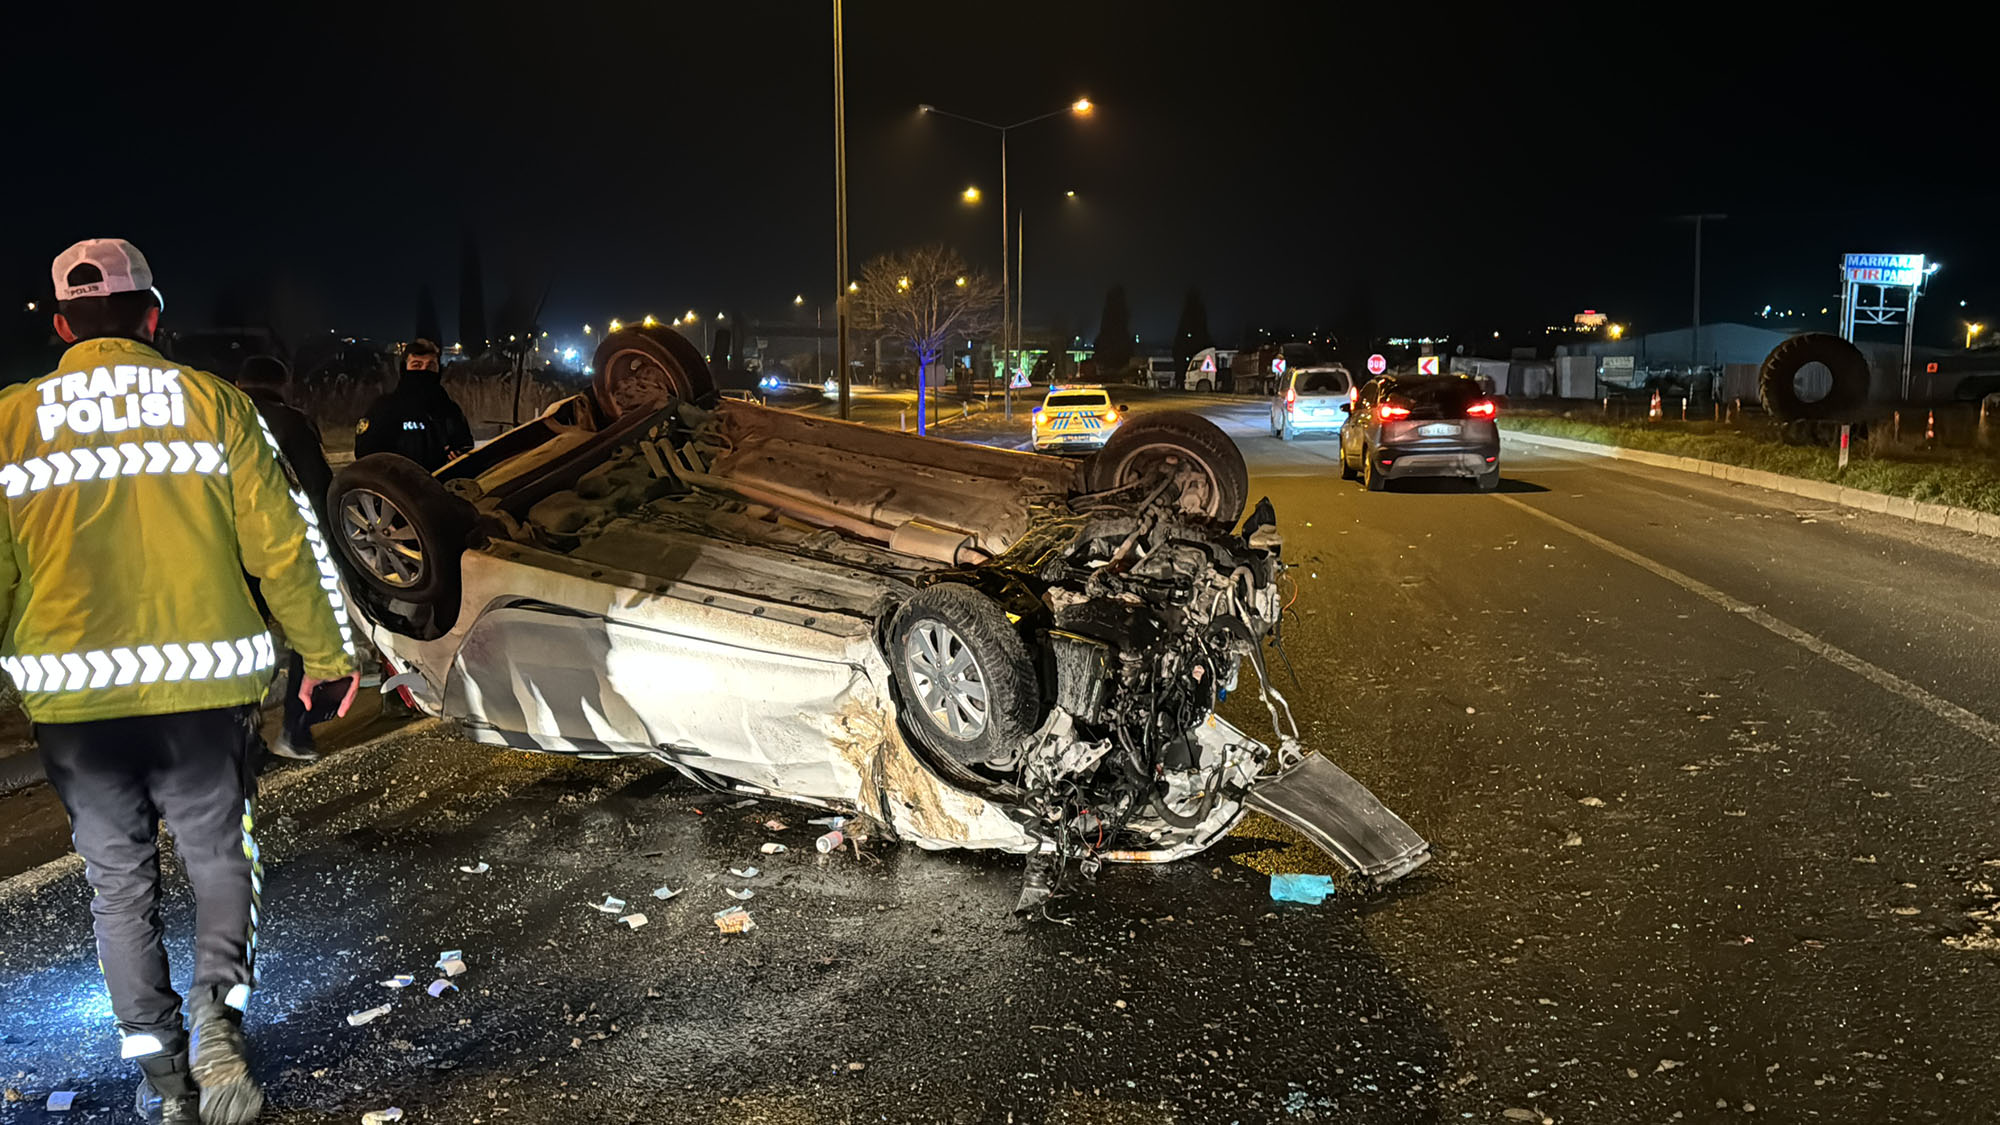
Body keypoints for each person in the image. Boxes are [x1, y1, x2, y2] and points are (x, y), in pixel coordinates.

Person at [2, 239, 358, 1124]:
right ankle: (217, 1023)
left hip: (76, 706)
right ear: (155, 315)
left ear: (59, 327)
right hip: (204, 697)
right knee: (218, 860)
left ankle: (160, 1069)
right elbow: (287, 544)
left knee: (117, 884)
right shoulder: (213, 403)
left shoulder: (10, 421)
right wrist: (329, 655)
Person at [232, 355, 334, 761]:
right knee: (308, 636)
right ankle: (296, 731)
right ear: (283, 385)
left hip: (227, 555)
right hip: (283, 551)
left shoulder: (211, 423)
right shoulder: (292, 423)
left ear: (238, 384)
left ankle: (243, 741)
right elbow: (318, 486)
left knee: (238, 648)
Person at [353, 338, 472, 471]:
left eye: (430, 366)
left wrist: (459, 454)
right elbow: (367, 455)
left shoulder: (449, 409)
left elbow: (465, 444)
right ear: (404, 369)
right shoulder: (385, 408)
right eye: (416, 365)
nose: (424, 370)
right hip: (404, 487)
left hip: (443, 485)